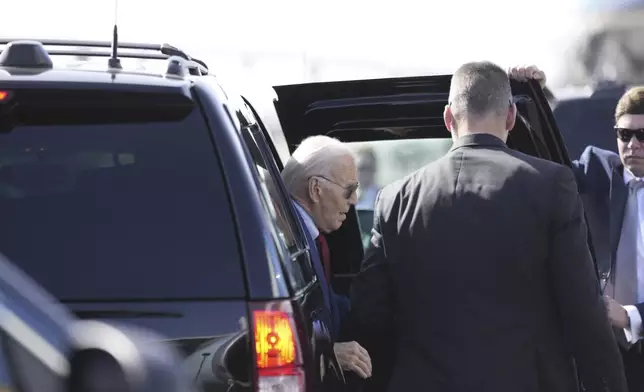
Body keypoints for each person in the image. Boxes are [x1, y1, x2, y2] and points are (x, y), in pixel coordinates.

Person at [350, 61, 627, 392]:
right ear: (511, 117)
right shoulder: (551, 185)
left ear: (448, 118)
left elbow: (370, 312)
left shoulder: (395, 198)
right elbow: (582, 308)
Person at [281, 135, 372, 380]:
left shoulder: (306, 237)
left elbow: (329, 304)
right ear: (316, 189)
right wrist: (326, 353)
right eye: (349, 190)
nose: (354, 201)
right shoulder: (282, 243)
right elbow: (268, 337)